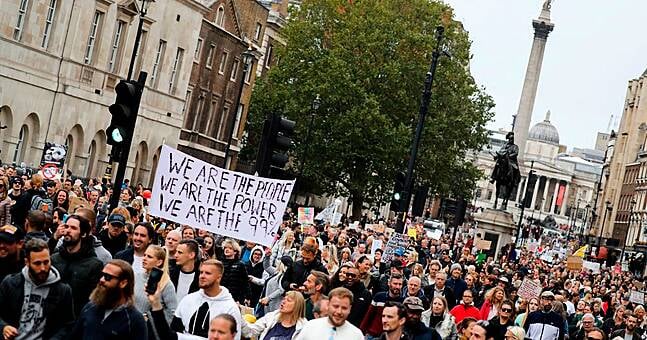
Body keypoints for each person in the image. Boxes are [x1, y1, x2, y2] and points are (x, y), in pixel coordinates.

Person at [0, 238, 74, 340]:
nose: (43, 268)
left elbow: (67, 325)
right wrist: (4, 327)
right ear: (27, 262)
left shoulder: (62, 290)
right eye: (37, 263)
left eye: (46, 262)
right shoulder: (10, 284)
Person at [69, 259, 147, 339]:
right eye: (102, 275)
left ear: (123, 283)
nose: (102, 280)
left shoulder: (134, 320)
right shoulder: (90, 307)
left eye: (108, 277)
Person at [171, 259, 243, 339]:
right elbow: (174, 330)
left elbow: (235, 338)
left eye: (208, 273)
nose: (202, 276)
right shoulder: (188, 299)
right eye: (201, 272)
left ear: (219, 278)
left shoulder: (230, 307)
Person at [51, 214, 103, 316]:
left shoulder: (94, 265)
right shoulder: (54, 258)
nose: (68, 230)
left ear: (83, 234)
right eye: (66, 227)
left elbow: (93, 302)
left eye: (73, 228)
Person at [294, 287, 364, 340]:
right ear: (328, 305)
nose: (339, 311)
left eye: (344, 308)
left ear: (350, 309)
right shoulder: (310, 326)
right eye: (335, 306)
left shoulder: (356, 335)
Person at [134, 245, 178, 327]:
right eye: (144, 255)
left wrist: (150, 320)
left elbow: (172, 312)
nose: (144, 258)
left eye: (149, 257)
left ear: (159, 262)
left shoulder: (166, 284)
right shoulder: (136, 277)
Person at [242, 291, 307, 339]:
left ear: (297, 306)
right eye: (284, 299)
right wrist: (239, 318)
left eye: (288, 300)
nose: (283, 302)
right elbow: (250, 331)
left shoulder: (303, 327)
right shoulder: (271, 317)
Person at [220, 238, 252, 305]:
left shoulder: (240, 265)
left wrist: (247, 297)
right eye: (225, 247)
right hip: (220, 295)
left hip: (235, 298)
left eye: (230, 248)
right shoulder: (219, 264)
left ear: (235, 251)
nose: (227, 249)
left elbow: (245, 282)